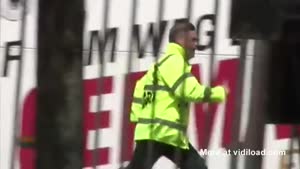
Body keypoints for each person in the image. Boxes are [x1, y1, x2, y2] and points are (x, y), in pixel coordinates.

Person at [126, 20, 227, 169]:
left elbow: (140, 88)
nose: (196, 45)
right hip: (162, 133)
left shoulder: (159, 66)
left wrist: (139, 121)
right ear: (181, 40)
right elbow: (191, 91)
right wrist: (221, 93)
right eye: (193, 40)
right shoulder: (174, 61)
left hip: (160, 135)